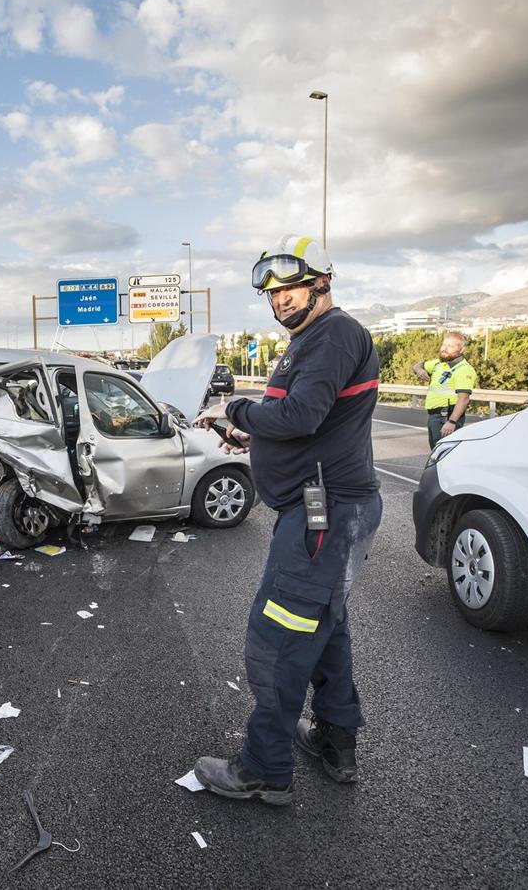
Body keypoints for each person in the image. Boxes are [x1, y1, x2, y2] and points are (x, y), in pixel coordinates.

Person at [192, 235, 383, 805]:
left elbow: (301, 415)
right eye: (271, 293)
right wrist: (247, 434)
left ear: (322, 281)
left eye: (290, 288)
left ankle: (264, 769)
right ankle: (336, 741)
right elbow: (306, 422)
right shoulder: (311, 340)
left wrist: (234, 407)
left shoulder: (334, 333)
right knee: (325, 630)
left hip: (324, 516)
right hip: (327, 509)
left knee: (278, 637)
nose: (279, 300)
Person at [414, 332, 477, 448]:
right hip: (434, 417)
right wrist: (420, 370)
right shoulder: (439, 364)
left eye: (450, 346)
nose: (444, 349)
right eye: (444, 345)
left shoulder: (464, 369)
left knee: (443, 456)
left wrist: (452, 422)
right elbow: (418, 365)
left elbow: (464, 399)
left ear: (462, 349)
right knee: (436, 454)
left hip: (446, 417)